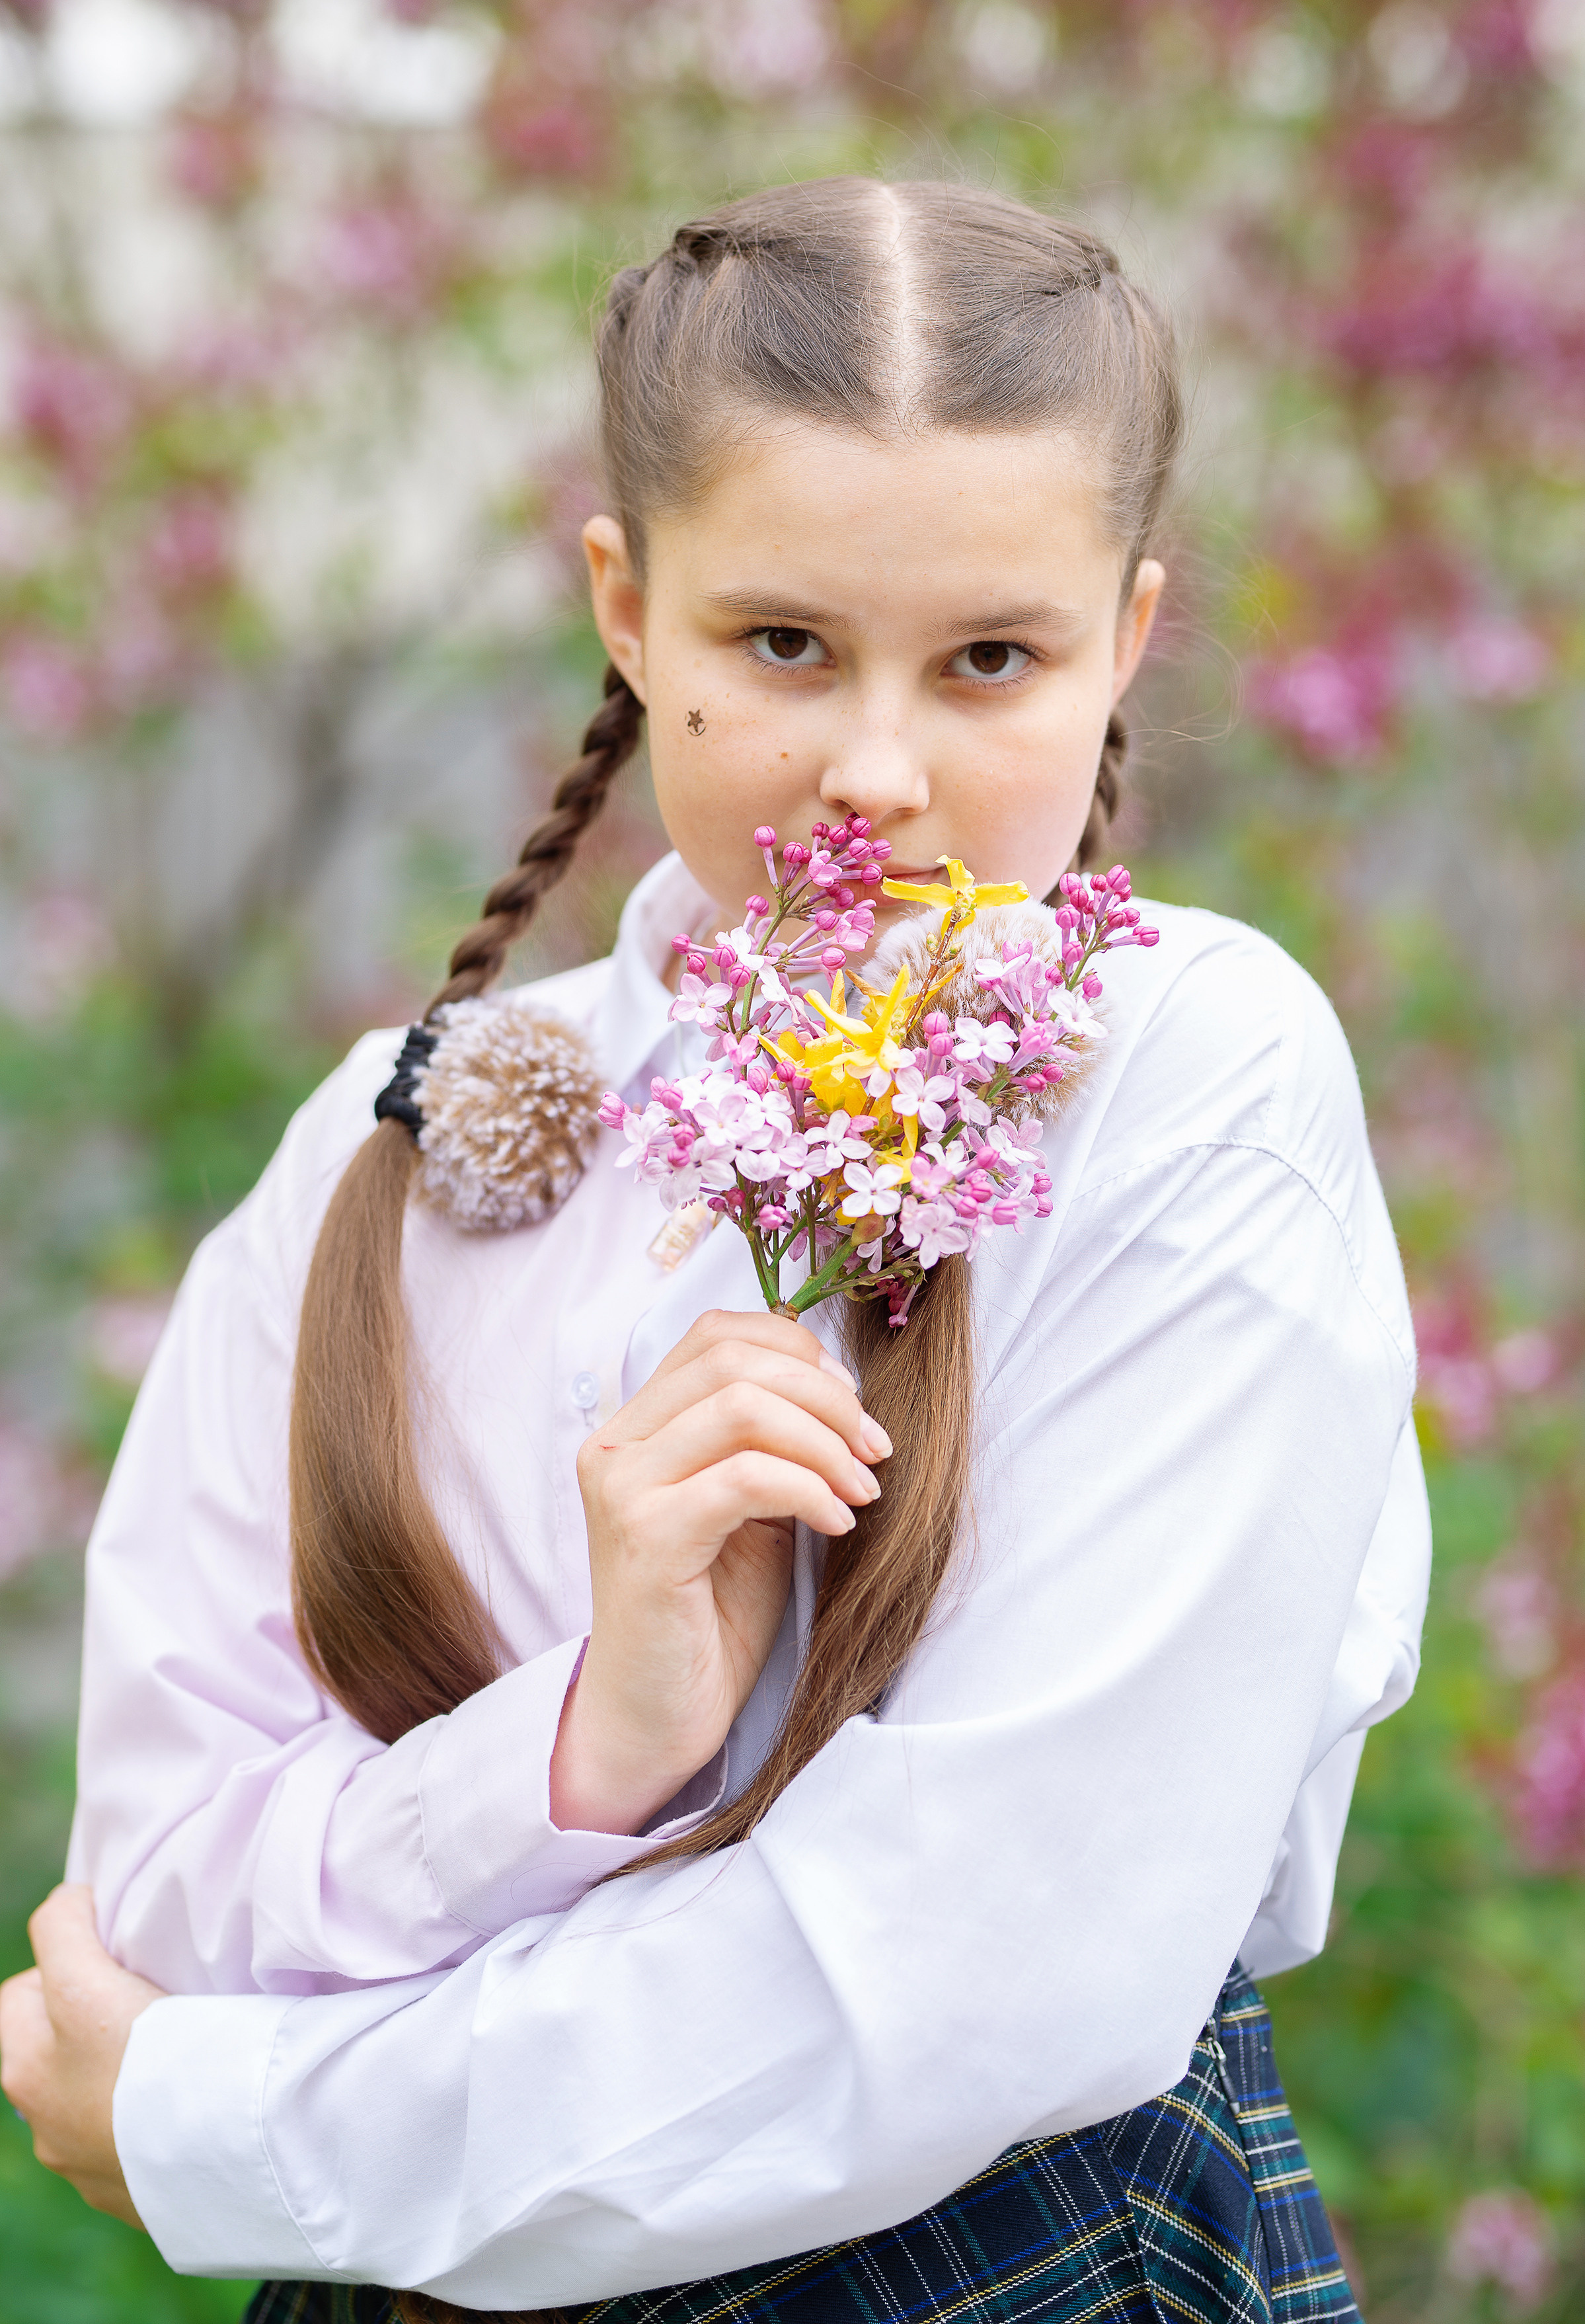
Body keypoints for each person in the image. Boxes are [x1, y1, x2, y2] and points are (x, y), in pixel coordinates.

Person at [1, 177, 1428, 2322]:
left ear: (1127, 637)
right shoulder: (389, 1149)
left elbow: (990, 1963)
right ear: (624, 605)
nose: (874, 773)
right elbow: (162, 1894)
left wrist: (254, 2125)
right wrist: (580, 1744)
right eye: (781, 644)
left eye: (990, 662)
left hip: (1000, 2261)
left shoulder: (1183, 1087)